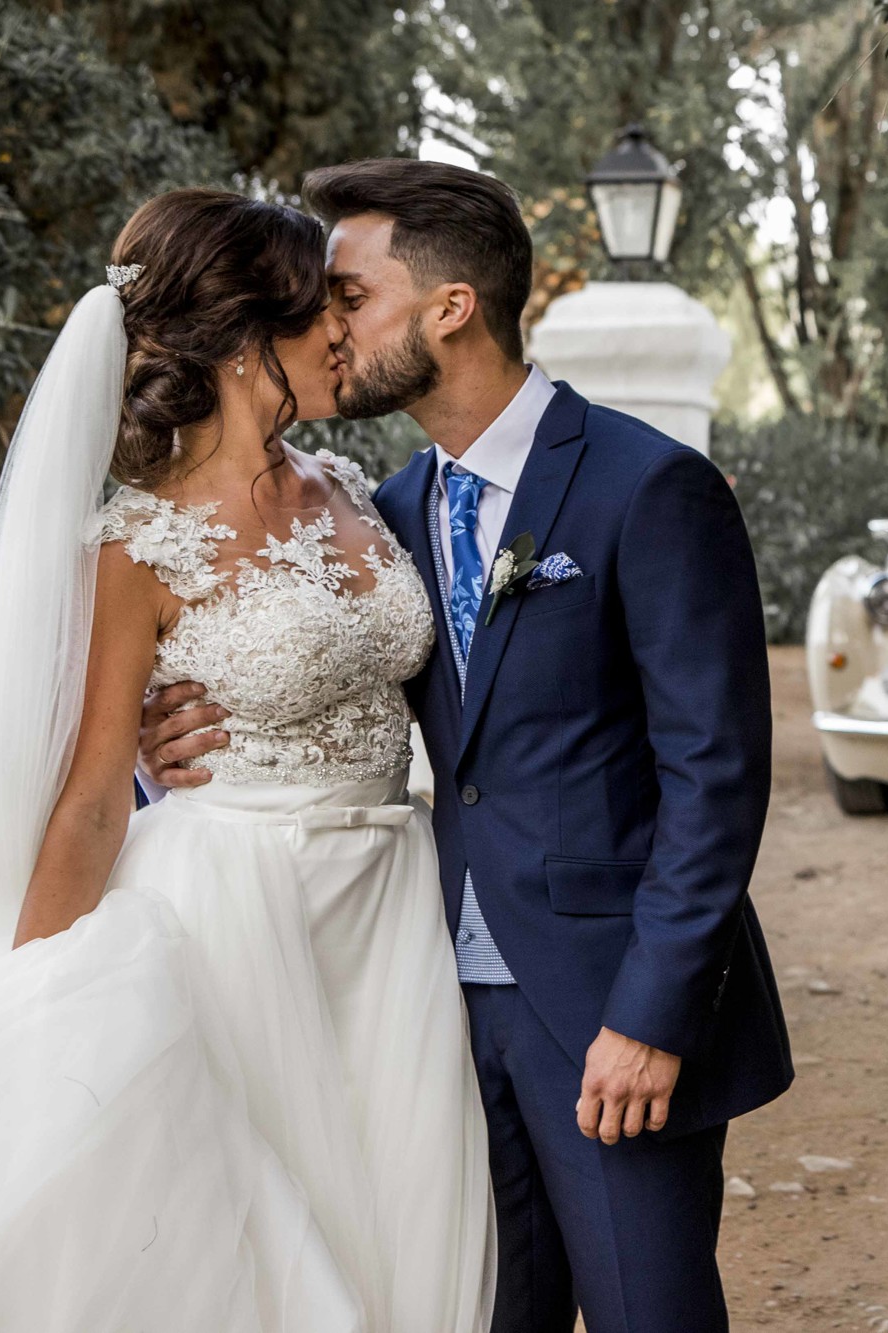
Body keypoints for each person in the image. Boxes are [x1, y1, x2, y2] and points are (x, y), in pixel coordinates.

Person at [140, 159, 794, 1332]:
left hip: (604, 1007)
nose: (324, 326)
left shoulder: (649, 487)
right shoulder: (381, 512)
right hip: (427, 1002)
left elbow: (716, 777)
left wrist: (650, 1014)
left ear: (451, 308)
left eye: (350, 296)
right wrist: (172, 730)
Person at [0, 189, 493, 1330]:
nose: (347, 332)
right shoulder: (136, 546)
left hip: (392, 904)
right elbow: (90, 800)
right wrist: (28, 1014)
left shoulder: (352, 487)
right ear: (249, 337)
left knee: (406, 1235)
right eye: (327, 308)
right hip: (241, 913)